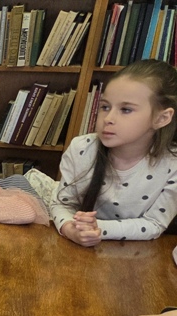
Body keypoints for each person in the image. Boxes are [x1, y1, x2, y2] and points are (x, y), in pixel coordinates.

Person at [50, 59, 177, 247]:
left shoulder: (172, 164)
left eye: (126, 109)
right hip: (81, 250)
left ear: (161, 118)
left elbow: (154, 224)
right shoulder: (82, 148)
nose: (108, 118)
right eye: (105, 107)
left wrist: (97, 228)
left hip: (137, 255)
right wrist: (70, 229)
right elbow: (61, 204)